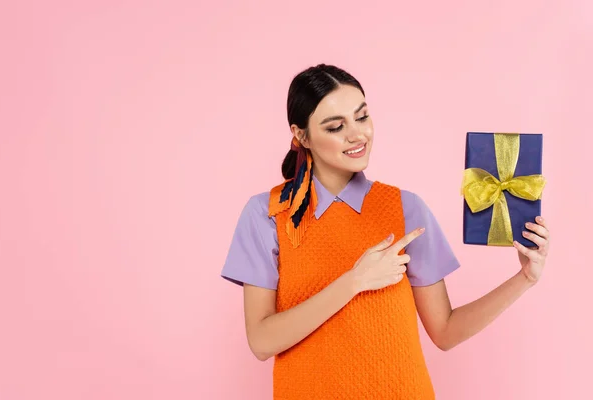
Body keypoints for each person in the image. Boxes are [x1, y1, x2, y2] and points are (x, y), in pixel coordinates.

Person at [220, 64, 551, 399]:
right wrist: (355, 281)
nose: (357, 135)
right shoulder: (268, 214)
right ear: (301, 135)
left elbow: (446, 331)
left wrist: (525, 278)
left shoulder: (407, 208)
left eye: (362, 117)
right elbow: (261, 342)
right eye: (336, 127)